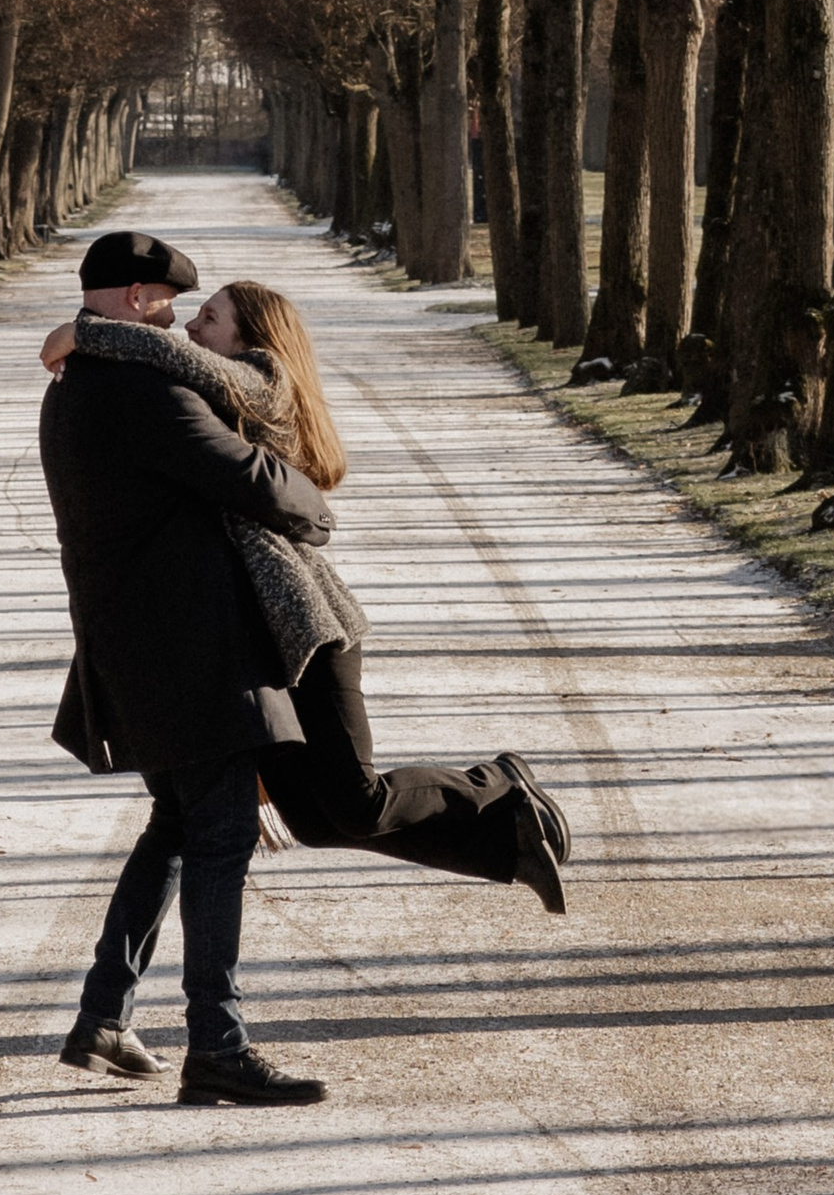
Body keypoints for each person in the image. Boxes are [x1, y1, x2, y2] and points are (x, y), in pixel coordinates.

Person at [43, 273, 572, 914]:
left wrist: (89, 332)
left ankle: (500, 783)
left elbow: (168, 356)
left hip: (312, 627)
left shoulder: (260, 378)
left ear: (252, 337)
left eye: (209, 317)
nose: (192, 328)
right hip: (264, 641)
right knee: (318, 821)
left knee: (357, 801)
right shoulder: (219, 387)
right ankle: (507, 846)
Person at [38, 229, 337, 1107]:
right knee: (218, 837)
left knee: (176, 825)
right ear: (137, 298)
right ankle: (219, 1042)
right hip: (188, 651)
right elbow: (247, 474)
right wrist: (316, 509)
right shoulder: (141, 387)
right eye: (170, 305)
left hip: (138, 645)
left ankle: (104, 1013)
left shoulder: (77, 387)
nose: (178, 324)